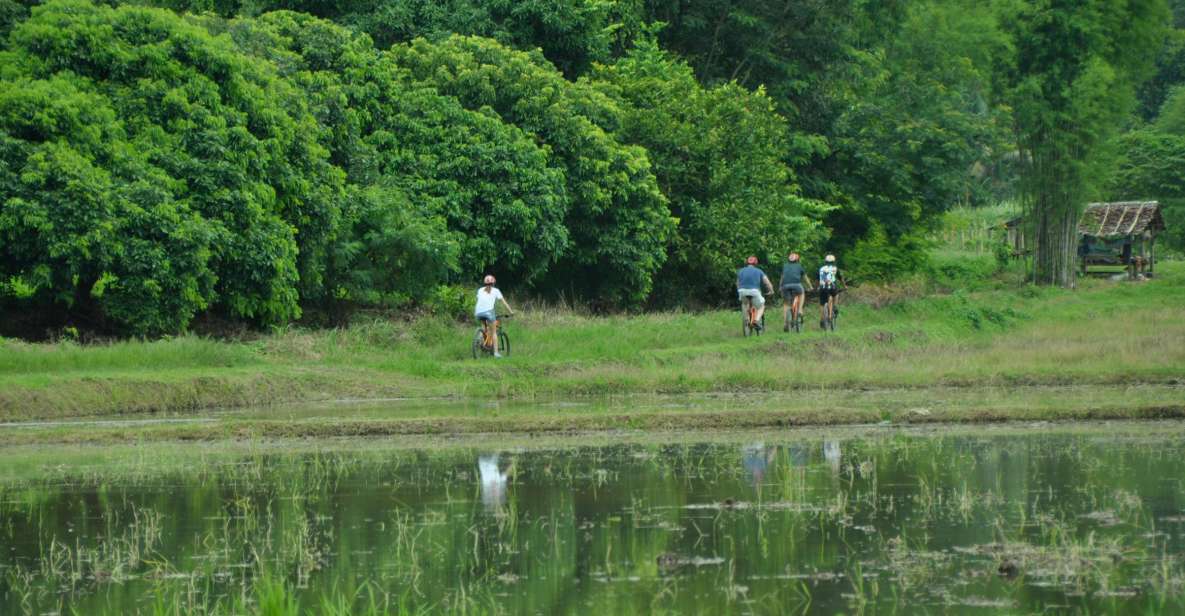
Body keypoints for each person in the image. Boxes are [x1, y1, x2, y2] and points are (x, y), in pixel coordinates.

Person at [474, 275, 514, 358]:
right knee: (494, 332)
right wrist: (511, 312)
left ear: (485, 283)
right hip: (489, 312)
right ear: (493, 283)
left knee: (484, 328)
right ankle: (496, 353)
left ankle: (480, 340)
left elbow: (480, 300)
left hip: (478, 312)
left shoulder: (480, 290)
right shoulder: (496, 291)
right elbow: (504, 302)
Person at [737, 256, 774, 331]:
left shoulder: (740, 271)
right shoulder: (759, 271)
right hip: (754, 291)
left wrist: (739, 290)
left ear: (747, 263)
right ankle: (756, 321)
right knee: (761, 306)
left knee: (744, 304)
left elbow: (737, 283)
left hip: (742, 291)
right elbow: (767, 282)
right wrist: (771, 290)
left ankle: (746, 319)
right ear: (756, 263)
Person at [779, 252, 813, 332]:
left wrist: (780, 286)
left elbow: (782, 277)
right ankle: (800, 309)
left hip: (785, 286)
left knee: (786, 304)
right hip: (797, 286)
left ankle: (785, 323)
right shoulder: (799, 266)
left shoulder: (785, 266)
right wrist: (810, 286)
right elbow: (805, 278)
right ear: (797, 259)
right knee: (801, 293)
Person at [818, 254, 842, 328]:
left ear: (825, 261)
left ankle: (822, 319)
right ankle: (835, 306)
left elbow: (818, 279)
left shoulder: (821, 269)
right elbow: (841, 278)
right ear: (833, 261)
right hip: (832, 287)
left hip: (822, 288)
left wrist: (816, 287)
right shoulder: (835, 268)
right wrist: (845, 286)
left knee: (822, 304)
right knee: (836, 294)